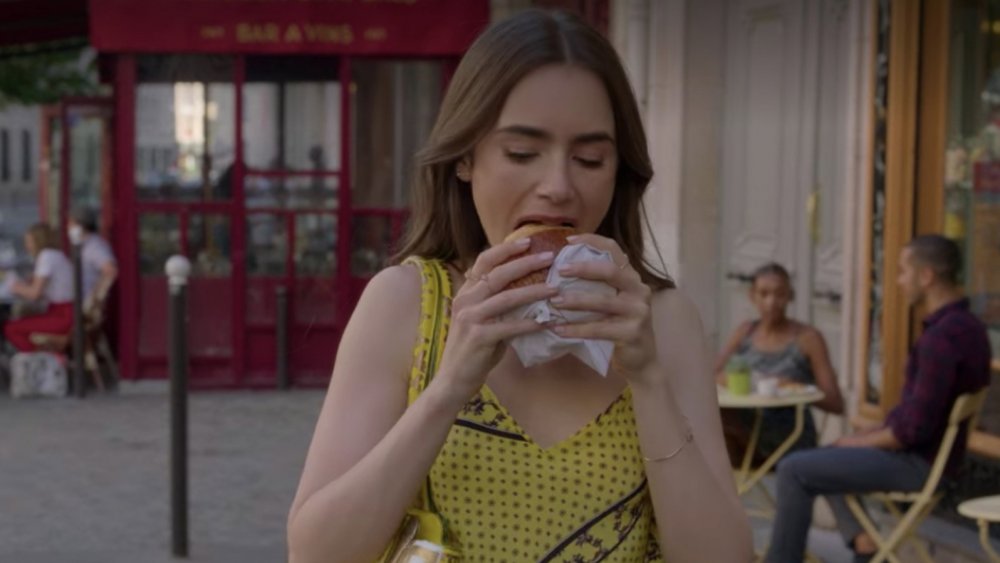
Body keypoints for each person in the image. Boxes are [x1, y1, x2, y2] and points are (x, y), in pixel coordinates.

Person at [287, 10, 752, 563]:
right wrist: (451, 384)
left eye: (589, 159)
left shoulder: (662, 321)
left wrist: (648, 379)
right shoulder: (406, 303)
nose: (557, 187)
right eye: (522, 153)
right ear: (465, 157)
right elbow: (314, 554)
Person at [764, 235, 993, 563]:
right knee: (826, 456)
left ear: (926, 276)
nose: (899, 281)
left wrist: (857, 443)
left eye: (902, 271)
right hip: (930, 459)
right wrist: (861, 438)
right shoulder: (971, 328)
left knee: (793, 470)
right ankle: (866, 548)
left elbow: (910, 433)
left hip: (918, 466)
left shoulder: (941, 340)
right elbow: (913, 421)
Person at [715, 262, 845, 464]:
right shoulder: (745, 332)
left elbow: (835, 402)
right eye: (764, 294)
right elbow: (712, 378)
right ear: (752, 296)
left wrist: (793, 387)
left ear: (790, 296)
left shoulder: (808, 338)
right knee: (712, 417)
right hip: (745, 434)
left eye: (780, 294)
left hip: (790, 436)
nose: (771, 302)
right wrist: (728, 378)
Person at [3, 223, 74, 352]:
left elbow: (35, 294)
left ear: (38, 241)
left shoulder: (46, 256)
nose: (27, 246)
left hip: (62, 316)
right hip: (64, 313)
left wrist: (15, 287)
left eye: (29, 241)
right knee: (21, 319)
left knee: (11, 328)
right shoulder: (55, 255)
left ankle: (41, 359)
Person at [68, 208, 117, 316]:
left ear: (81, 225)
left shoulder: (95, 246)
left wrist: (95, 298)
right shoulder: (82, 245)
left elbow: (110, 271)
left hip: (84, 304)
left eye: (71, 223)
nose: (69, 228)